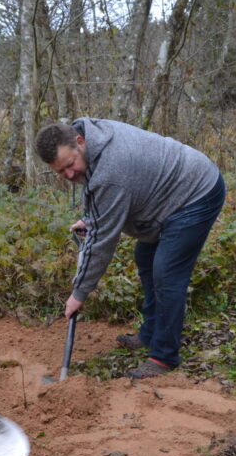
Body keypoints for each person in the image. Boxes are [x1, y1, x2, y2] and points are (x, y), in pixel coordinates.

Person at [35, 119, 225, 379]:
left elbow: (102, 241)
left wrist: (79, 293)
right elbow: (107, 198)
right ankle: (150, 334)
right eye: (60, 172)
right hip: (167, 192)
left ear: (80, 142)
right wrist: (92, 219)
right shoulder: (89, 137)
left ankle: (163, 356)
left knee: (166, 272)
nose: (69, 175)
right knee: (145, 256)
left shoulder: (111, 170)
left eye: (70, 166)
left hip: (196, 192)